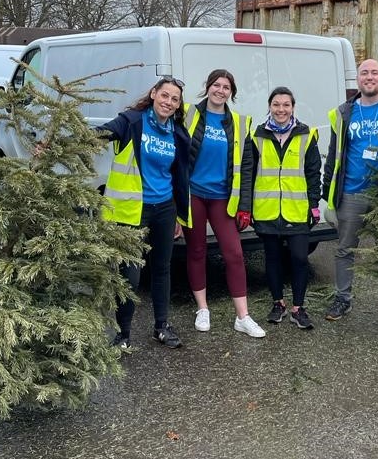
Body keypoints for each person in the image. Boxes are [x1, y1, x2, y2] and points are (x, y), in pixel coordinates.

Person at [99, 76, 190, 349]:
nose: (169, 102)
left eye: (175, 99)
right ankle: (123, 334)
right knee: (131, 275)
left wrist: (180, 216)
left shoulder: (177, 132)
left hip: (164, 208)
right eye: (165, 96)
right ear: (153, 94)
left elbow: (180, 176)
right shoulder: (132, 121)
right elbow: (102, 133)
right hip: (131, 210)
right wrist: (63, 142)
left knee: (162, 269)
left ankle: (161, 326)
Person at [322, 59, 378, 326]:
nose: (369, 77)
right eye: (364, 73)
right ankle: (342, 299)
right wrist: (328, 194)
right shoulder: (343, 113)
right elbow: (335, 154)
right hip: (350, 192)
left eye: (374, 73)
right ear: (358, 80)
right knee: (345, 250)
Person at [182, 69, 266, 338]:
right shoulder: (188, 113)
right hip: (193, 194)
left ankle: (242, 316)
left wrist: (245, 206)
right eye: (216, 85)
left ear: (232, 92)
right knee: (196, 251)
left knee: (235, 254)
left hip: (222, 198)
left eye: (226, 87)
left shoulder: (241, 123)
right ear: (207, 87)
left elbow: (248, 166)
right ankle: (202, 309)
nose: (220, 90)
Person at [251, 86, 321, 330]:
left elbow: (314, 173)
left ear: (293, 107)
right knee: (272, 259)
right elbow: (249, 174)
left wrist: (314, 204)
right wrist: (246, 207)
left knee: (299, 258)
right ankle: (278, 303)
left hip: (297, 208)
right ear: (269, 107)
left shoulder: (306, 134)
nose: (281, 109)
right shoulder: (257, 136)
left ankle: (298, 307)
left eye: (286, 105)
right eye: (276, 105)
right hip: (267, 208)